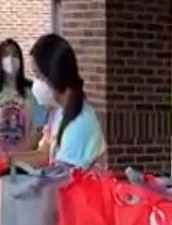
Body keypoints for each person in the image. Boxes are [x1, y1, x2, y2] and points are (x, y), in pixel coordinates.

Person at [7, 33, 105, 169]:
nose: (35, 83)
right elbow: (44, 155)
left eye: (38, 75)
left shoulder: (79, 123)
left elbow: (59, 179)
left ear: (55, 74)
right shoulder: (58, 110)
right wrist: (9, 159)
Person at [0, 38, 46, 157]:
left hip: (26, 159)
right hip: (0, 159)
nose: (11, 59)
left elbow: (39, 128)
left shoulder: (32, 90)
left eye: (15, 54)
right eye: (6, 55)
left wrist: (24, 154)